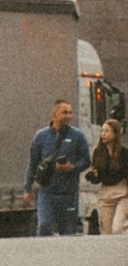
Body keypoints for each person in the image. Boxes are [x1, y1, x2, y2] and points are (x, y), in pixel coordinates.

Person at [28, 90, 92, 236]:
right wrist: (27, 188)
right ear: (54, 114)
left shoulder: (77, 136)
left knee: (68, 231)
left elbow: (86, 160)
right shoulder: (41, 136)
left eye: (70, 113)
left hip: (68, 193)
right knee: (44, 225)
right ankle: (42, 254)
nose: (68, 116)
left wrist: (73, 167)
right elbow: (32, 163)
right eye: (64, 113)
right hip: (46, 191)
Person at [90, 105, 128, 237]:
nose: (103, 134)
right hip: (105, 194)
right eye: (102, 131)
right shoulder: (98, 152)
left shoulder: (124, 153)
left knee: (117, 228)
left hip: (122, 194)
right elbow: (96, 177)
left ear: (115, 134)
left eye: (106, 131)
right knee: (106, 233)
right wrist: (93, 175)